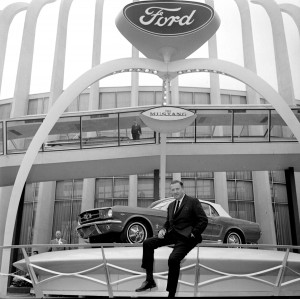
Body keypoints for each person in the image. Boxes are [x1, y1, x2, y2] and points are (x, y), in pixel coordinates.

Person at [135, 180, 208, 297]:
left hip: (187, 238)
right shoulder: (171, 206)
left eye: (177, 189)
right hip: (172, 235)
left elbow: (203, 220)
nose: (175, 192)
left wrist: (194, 232)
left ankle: (171, 293)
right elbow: (168, 223)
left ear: (182, 189)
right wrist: (163, 229)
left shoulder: (193, 201)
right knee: (147, 243)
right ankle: (149, 280)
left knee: (173, 259)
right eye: (173, 190)